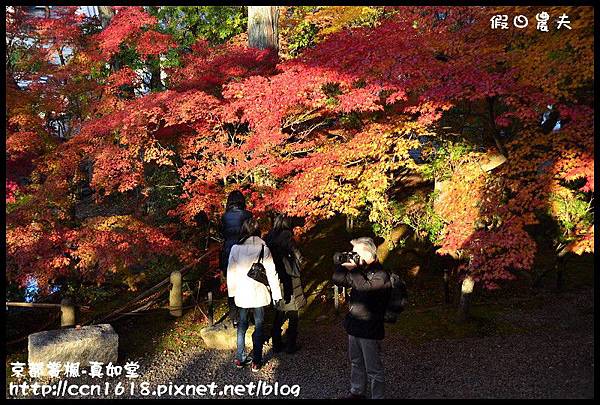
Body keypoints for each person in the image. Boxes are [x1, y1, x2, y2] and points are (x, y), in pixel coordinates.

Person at [332, 237, 391, 400]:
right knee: (356, 362)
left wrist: (354, 270)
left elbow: (366, 289)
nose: (353, 256)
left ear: (366, 252)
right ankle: (357, 392)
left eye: (355, 253)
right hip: (355, 325)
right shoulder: (361, 270)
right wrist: (341, 264)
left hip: (370, 327)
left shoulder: (380, 273)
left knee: (373, 367)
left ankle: (377, 396)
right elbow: (338, 280)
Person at [227, 218, 282, 372]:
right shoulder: (264, 249)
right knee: (259, 326)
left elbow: (230, 273)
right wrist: (277, 295)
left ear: (243, 230)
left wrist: (232, 294)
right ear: (258, 231)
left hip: (242, 293)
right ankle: (257, 361)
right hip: (259, 294)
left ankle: (240, 357)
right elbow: (272, 274)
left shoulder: (235, 249)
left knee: (242, 325)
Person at [265, 214, 306, 354]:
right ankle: (291, 344)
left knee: (279, 310)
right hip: (290, 277)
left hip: (275, 278)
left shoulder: (269, 237)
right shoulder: (287, 237)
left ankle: (276, 342)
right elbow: (299, 257)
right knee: (293, 311)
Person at [220, 190, 252, 326]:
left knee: (232, 285)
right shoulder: (248, 215)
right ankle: (247, 316)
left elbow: (223, 235)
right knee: (247, 283)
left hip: (228, 253)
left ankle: (234, 317)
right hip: (245, 253)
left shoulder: (224, 217)